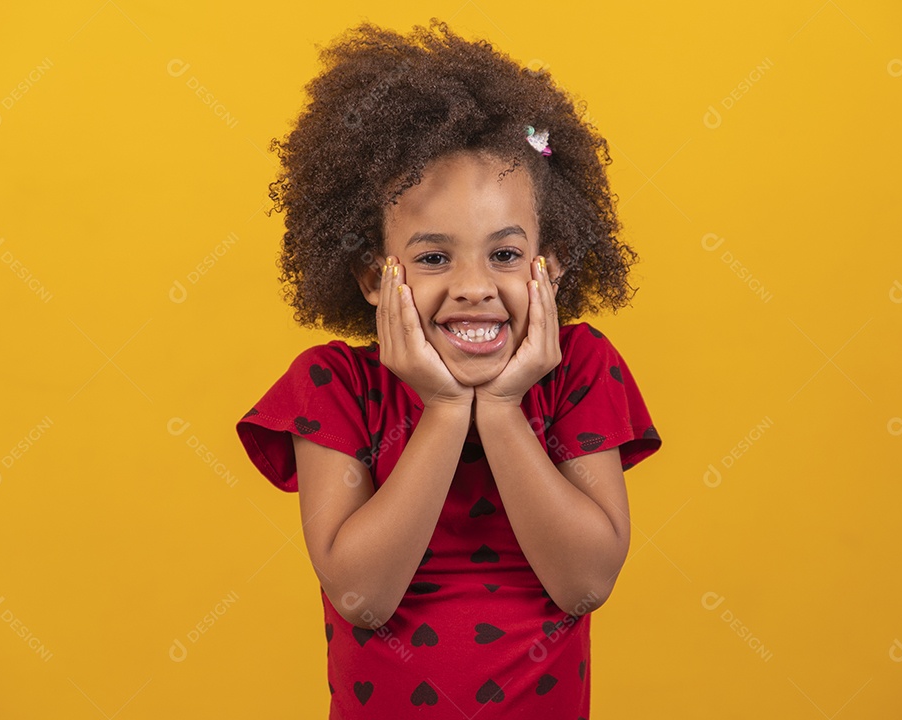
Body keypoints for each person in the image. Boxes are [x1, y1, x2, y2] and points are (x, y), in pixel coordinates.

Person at [235, 17, 663, 719]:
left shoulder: (581, 369)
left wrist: (499, 408)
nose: (474, 286)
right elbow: (361, 596)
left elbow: (585, 581)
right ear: (373, 276)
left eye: (504, 254)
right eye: (434, 258)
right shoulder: (333, 387)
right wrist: (442, 412)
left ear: (548, 267)